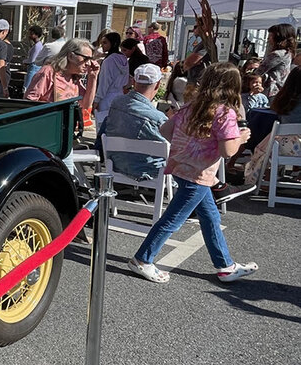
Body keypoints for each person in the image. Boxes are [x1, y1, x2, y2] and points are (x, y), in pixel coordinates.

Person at [128, 63, 257, 284]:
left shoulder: (191, 107)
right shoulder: (224, 114)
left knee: (210, 217)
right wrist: (241, 138)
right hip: (198, 175)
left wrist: (187, 146)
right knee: (173, 219)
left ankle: (225, 265)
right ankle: (142, 259)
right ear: (233, 87)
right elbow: (228, 151)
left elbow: (165, 130)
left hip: (180, 168)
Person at [25, 38, 100, 172]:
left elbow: (86, 104)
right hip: (45, 137)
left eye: (91, 59)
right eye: (86, 58)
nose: (88, 64)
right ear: (71, 55)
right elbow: (29, 101)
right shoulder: (49, 72)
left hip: (64, 139)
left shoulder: (74, 78)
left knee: (67, 176)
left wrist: (93, 78)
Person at [100, 64, 168, 180]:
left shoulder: (116, 104)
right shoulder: (158, 119)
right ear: (158, 84)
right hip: (148, 171)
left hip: (117, 166)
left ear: (133, 81)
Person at [244, 66, 301, 187]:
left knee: (273, 139)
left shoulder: (283, 99)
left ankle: (267, 178)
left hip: (284, 144)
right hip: (294, 144)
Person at [93, 32, 129, 128]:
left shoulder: (108, 61)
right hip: (119, 95)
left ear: (112, 43)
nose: (102, 45)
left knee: (103, 127)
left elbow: (104, 83)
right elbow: (126, 80)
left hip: (107, 97)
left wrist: (96, 100)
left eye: (105, 43)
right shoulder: (123, 59)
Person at [255, 23, 296, 99]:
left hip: (270, 91)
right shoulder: (287, 53)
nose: (268, 39)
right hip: (280, 89)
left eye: (270, 36)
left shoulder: (277, 54)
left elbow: (259, 72)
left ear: (278, 37)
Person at [23, 25, 44, 94]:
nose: (30, 36)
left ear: (36, 35)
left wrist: (24, 61)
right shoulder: (37, 45)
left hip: (33, 68)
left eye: (31, 34)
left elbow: (32, 60)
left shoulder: (37, 46)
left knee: (27, 88)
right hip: (33, 68)